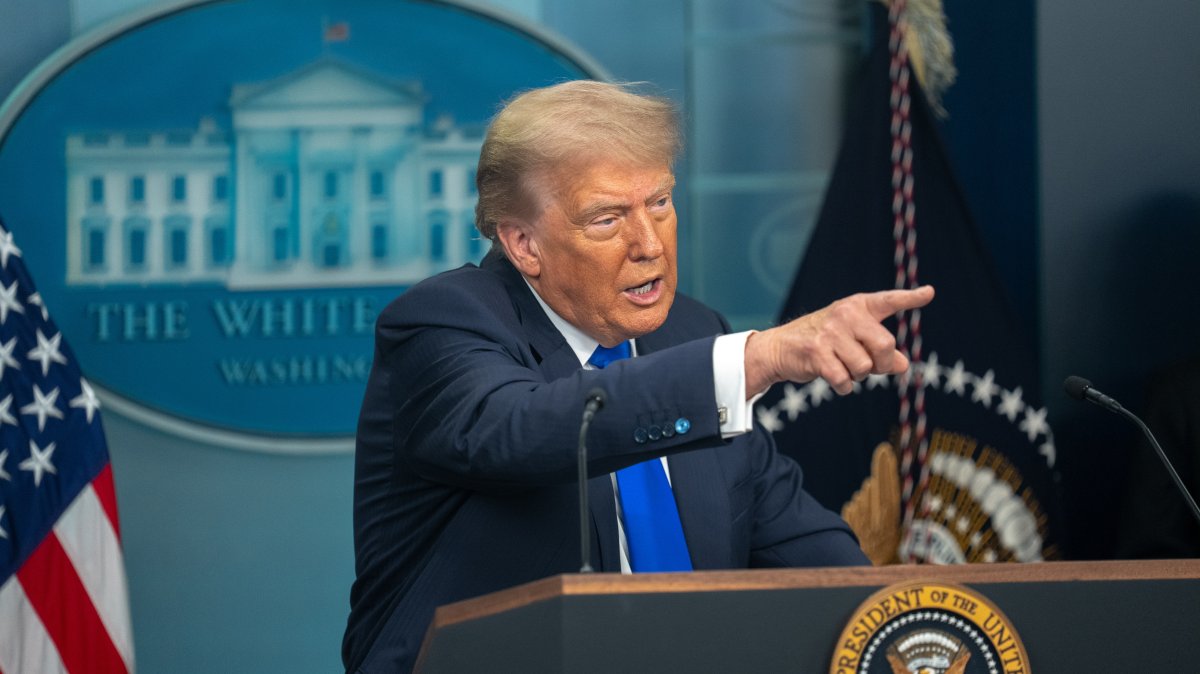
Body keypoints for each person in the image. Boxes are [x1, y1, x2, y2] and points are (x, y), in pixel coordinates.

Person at [341, 80, 934, 674]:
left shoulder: (693, 333)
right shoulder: (444, 322)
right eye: (607, 219)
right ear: (524, 244)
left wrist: (910, 634)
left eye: (660, 203)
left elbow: (802, 546)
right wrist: (756, 359)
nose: (649, 244)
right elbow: (519, 428)